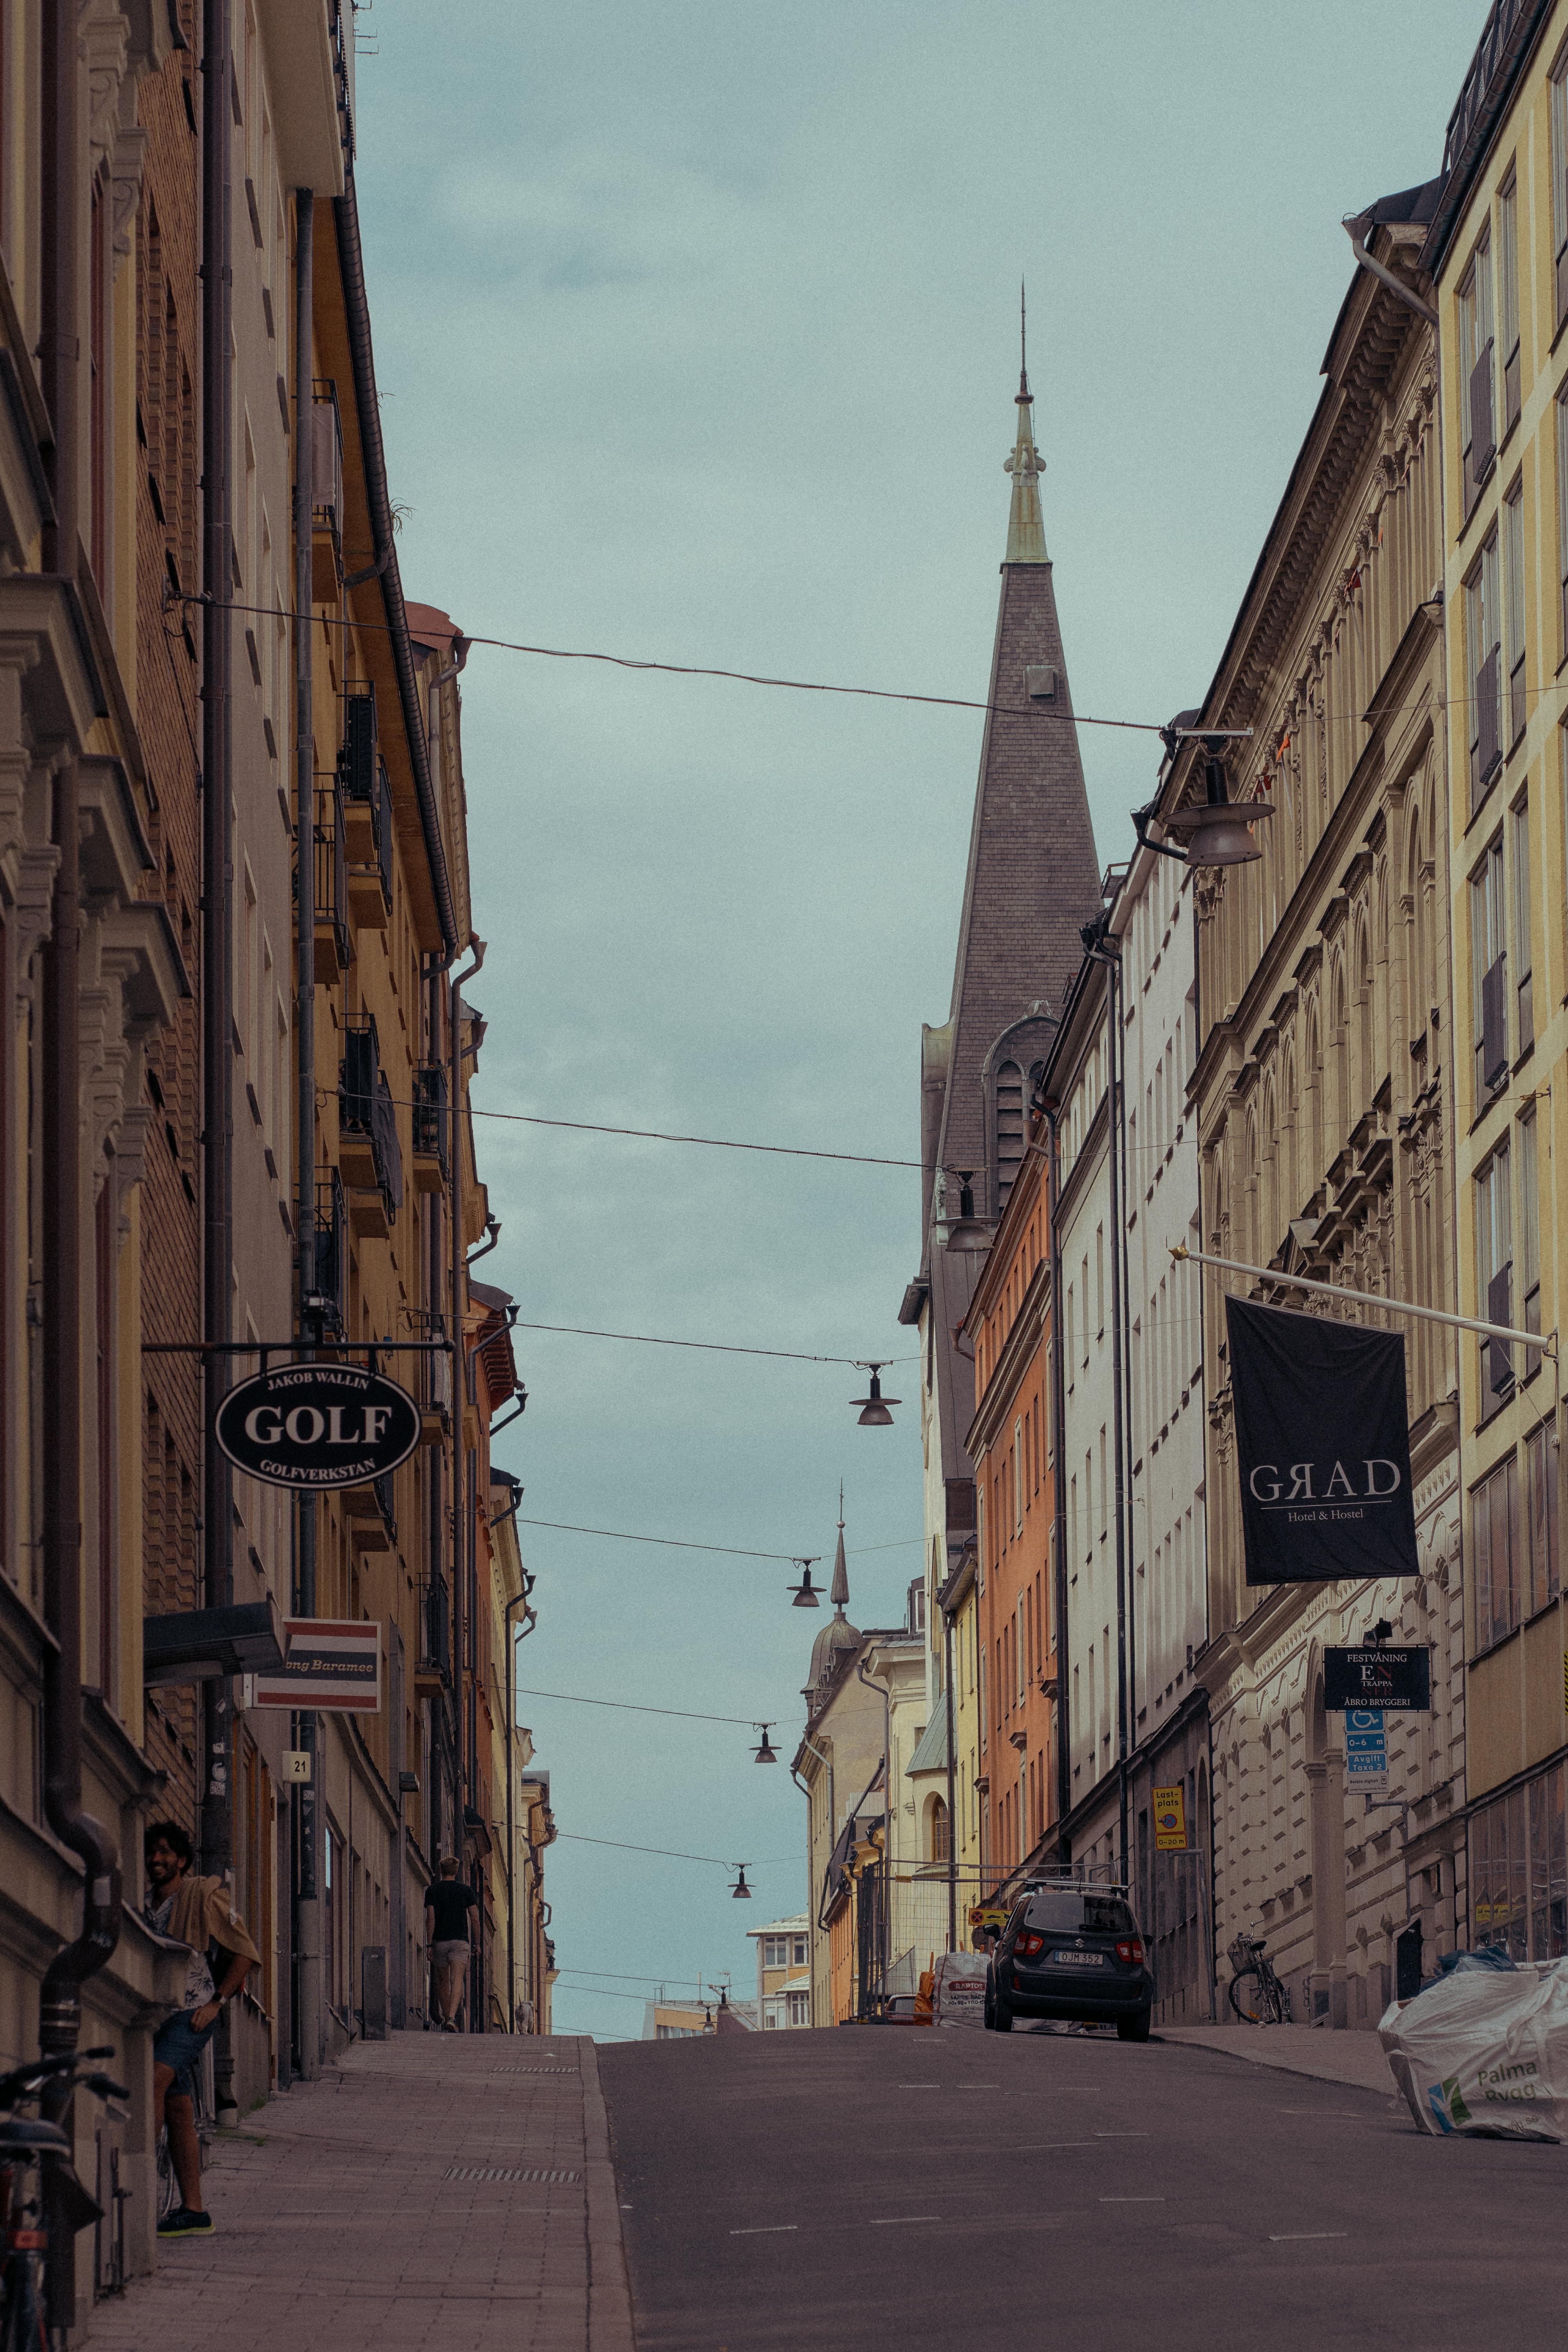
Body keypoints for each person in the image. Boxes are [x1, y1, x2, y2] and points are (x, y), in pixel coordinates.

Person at [143, 1819, 260, 2238]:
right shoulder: (144, 1904)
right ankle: (194, 2210)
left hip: (191, 2013)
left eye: (165, 1852)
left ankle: (139, 2182)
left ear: (182, 1860)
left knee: (153, 2079)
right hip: (156, 2012)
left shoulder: (202, 1898)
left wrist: (217, 2004)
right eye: (152, 1852)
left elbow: (245, 1953)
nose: (156, 1859)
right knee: (179, 2107)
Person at [424, 1856, 480, 2031]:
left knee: (442, 1980)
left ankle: (447, 2016)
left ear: (441, 1871)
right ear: (456, 1871)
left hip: (440, 1941)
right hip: (460, 1941)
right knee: (457, 1980)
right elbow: (475, 1918)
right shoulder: (466, 1891)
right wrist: (477, 1944)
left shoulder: (433, 1891)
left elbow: (430, 1919)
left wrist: (429, 1944)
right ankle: (451, 2018)